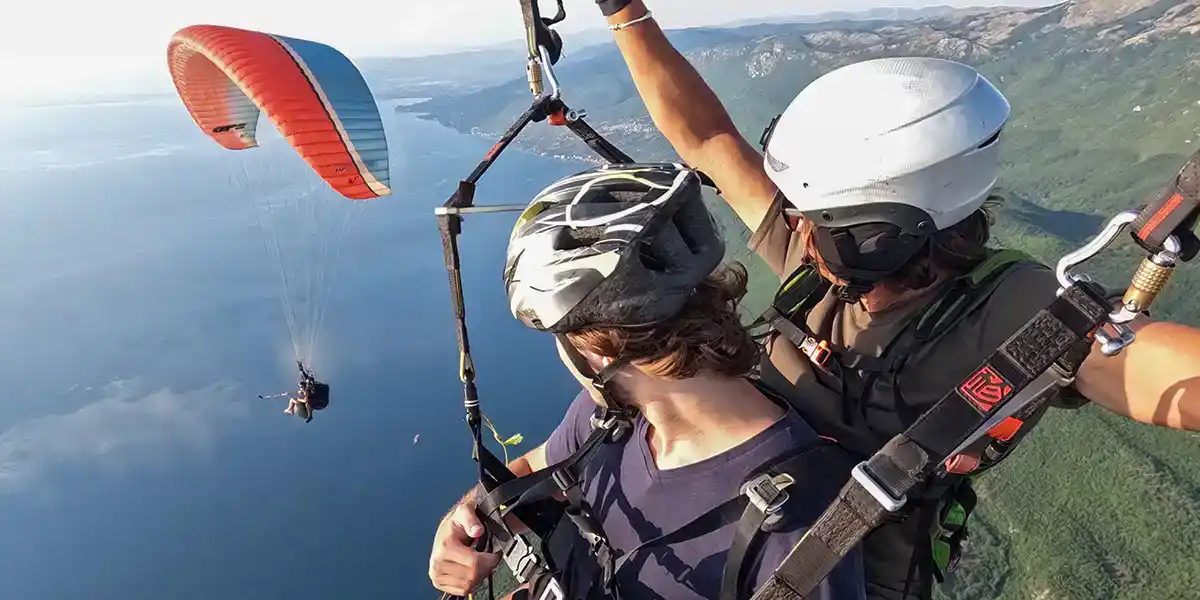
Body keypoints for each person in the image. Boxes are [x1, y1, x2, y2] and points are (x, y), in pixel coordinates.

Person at [589, 1, 1200, 598]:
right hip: (704, 531)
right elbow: (710, 140)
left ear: (875, 238)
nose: (790, 229)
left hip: (820, 574)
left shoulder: (1017, 312)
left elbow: (1147, 367)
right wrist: (624, 12)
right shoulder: (823, 271)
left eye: (810, 219)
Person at [428, 163, 866, 600]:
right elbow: (537, 470)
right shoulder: (610, 420)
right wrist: (469, 518)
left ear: (598, 352)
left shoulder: (800, 526)